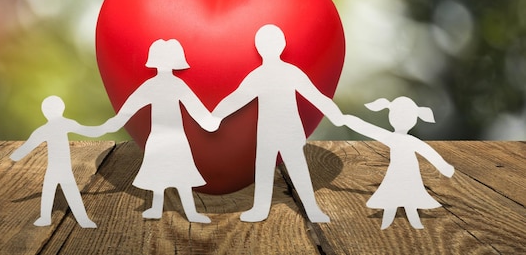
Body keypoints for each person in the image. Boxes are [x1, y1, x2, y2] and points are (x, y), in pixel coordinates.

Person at [212, 24, 345, 222]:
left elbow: (236, 98)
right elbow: (238, 98)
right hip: (269, 132)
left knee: (289, 167)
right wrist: (216, 116)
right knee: (269, 168)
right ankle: (264, 209)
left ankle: (309, 208)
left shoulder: (276, 74)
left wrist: (214, 116)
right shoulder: (279, 73)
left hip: (283, 131)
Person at [101, 39, 219, 223]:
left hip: (173, 137)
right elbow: (131, 107)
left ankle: (188, 211)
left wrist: (208, 121)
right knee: (160, 173)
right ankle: (160, 208)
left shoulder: (168, 85)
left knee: (180, 173)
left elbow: (193, 106)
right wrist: (208, 122)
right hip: (161, 137)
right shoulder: (160, 85)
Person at [341, 96, 455, 229]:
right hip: (397, 172)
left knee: (409, 196)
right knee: (393, 195)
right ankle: (389, 222)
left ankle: (413, 221)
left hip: (410, 173)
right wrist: (349, 120)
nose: (402, 119)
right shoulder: (393, 138)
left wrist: (443, 166)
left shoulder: (406, 140)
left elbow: (427, 151)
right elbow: (368, 129)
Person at [10, 95, 105, 228]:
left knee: (56, 190)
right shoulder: (62, 124)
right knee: (56, 190)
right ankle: (75, 219)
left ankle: (76, 219)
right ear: (61, 108)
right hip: (57, 167)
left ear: (45, 111)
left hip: (59, 167)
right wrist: (105, 128)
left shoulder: (47, 128)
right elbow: (89, 131)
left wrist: (13, 157)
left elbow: (28, 146)